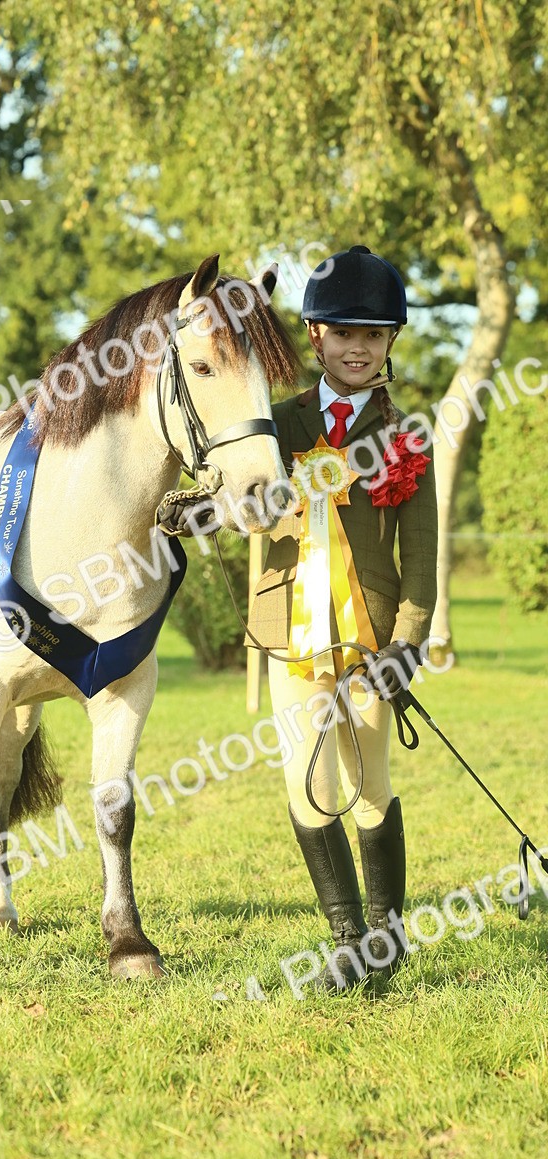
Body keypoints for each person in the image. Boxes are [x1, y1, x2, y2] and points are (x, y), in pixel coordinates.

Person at [246, 245, 438, 992]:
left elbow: (420, 555)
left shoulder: (405, 433)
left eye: (374, 336)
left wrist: (408, 642)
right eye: (344, 333)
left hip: (370, 638)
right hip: (290, 630)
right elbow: (242, 503)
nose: (358, 348)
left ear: (389, 343)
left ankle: (387, 938)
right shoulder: (275, 423)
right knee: (308, 783)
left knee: (369, 781)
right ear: (315, 335)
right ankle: (348, 942)